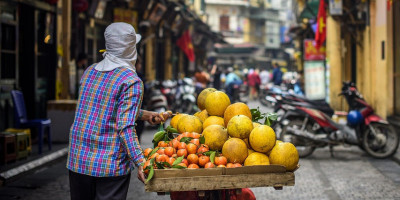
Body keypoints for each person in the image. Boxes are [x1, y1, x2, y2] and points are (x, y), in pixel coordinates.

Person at [67, 22, 169, 200]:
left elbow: (104, 107)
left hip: (79, 159)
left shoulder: (89, 71)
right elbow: (125, 126)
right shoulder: (131, 80)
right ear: (131, 49)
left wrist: (145, 115)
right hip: (109, 164)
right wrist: (140, 161)